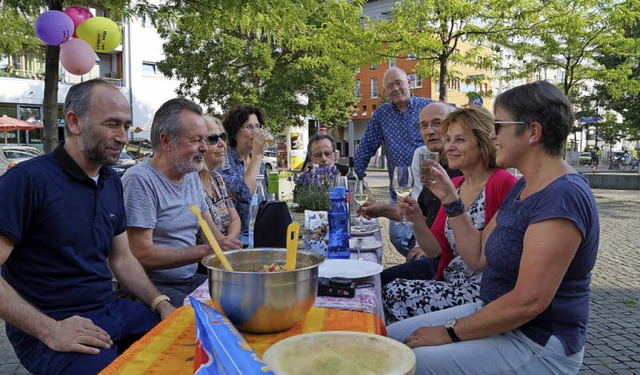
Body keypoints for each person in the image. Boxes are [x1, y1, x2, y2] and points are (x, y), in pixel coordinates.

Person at [387, 81, 599, 374]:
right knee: (385, 340)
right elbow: (476, 257)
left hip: (535, 342)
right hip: (495, 314)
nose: (491, 134)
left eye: (499, 126)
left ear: (532, 132)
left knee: (403, 364)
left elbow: (528, 302)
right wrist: (450, 199)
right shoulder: (526, 185)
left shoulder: (562, 195)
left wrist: (447, 332)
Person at [0, 79, 176, 375]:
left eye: (126, 126)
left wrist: (160, 303)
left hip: (112, 312)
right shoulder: (27, 180)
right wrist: (51, 331)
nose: (122, 136)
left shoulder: (112, 181)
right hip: (53, 329)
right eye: (112, 124)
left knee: (188, 344)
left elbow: (122, 258)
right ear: (74, 122)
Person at [383, 107, 517, 322]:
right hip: (451, 282)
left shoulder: (503, 183)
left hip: (482, 293)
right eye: (448, 139)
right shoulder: (457, 183)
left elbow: (480, 262)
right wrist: (416, 217)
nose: (450, 147)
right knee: (383, 288)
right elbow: (435, 250)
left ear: (483, 142)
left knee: (391, 291)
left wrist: (450, 200)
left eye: (460, 140)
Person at [123, 98, 242, 308]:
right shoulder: (140, 180)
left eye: (205, 140)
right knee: (218, 319)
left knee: (247, 298)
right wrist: (207, 250)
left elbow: (212, 236)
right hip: (154, 289)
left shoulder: (190, 175)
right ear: (166, 141)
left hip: (189, 281)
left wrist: (231, 250)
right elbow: (141, 254)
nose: (205, 148)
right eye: (196, 140)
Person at [360, 102, 462, 286]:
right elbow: (419, 212)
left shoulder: (463, 168)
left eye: (436, 123)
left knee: (374, 283)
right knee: (370, 280)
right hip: (434, 252)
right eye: (423, 125)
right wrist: (381, 210)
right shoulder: (427, 158)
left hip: (449, 262)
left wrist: (423, 248)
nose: (429, 131)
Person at [353, 67, 434, 256]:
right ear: (385, 92)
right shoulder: (381, 115)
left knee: (429, 234)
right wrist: (358, 180)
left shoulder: (428, 107)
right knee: (398, 238)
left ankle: (426, 263)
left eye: (399, 82)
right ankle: (419, 261)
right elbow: (366, 146)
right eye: (390, 86)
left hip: (429, 189)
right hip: (400, 189)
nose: (395, 88)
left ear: (409, 82)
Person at [218, 105, 270, 245]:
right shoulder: (223, 162)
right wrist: (258, 154)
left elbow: (265, 200)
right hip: (235, 238)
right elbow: (244, 194)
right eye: (249, 127)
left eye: (258, 126)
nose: (256, 132)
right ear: (234, 131)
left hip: (259, 233)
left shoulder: (259, 164)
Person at [199, 116, 241, 239]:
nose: (222, 144)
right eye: (212, 139)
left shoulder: (216, 178)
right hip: (205, 254)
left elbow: (235, 219)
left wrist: (229, 240)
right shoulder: (190, 181)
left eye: (223, 137)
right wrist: (226, 244)